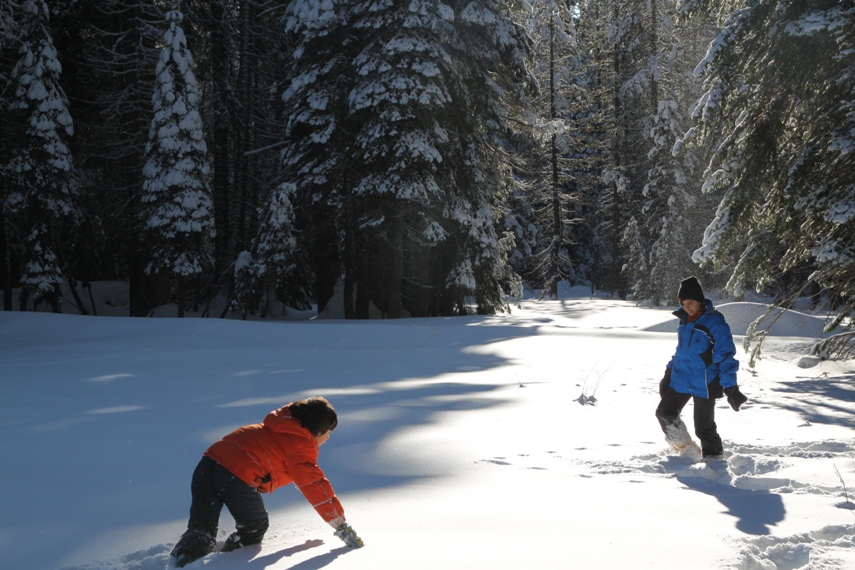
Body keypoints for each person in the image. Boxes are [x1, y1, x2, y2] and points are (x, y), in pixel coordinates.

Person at [170, 397, 363, 568]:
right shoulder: (299, 446)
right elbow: (316, 487)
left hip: (206, 466)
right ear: (318, 430)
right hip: (235, 475)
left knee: (202, 526)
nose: (328, 438)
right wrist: (340, 525)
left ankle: (183, 559)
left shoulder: (276, 428)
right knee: (254, 526)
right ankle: (226, 563)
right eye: (328, 432)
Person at [655, 277, 748, 459]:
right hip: (681, 378)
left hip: (705, 382)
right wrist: (669, 373)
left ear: (700, 301)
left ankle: (714, 462)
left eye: (691, 302)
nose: (687, 307)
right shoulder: (685, 321)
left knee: (704, 428)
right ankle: (685, 449)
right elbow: (681, 352)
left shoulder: (715, 323)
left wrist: (731, 387)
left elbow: (726, 356)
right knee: (664, 413)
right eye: (683, 303)